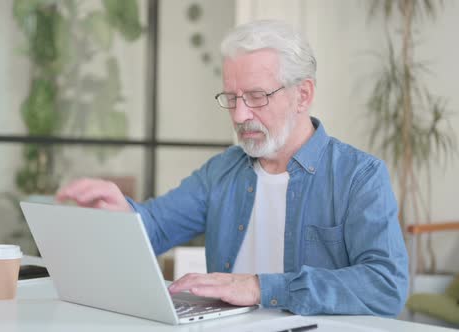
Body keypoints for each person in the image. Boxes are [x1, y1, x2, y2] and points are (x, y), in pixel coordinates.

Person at [55, 20, 408, 316]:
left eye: (256, 97)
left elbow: (386, 285)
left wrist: (260, 287)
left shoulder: (359, 176)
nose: (240, 115)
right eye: (232, 98)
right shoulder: (223, 170)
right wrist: (123, 215)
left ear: (302, 95)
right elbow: (157, 227)